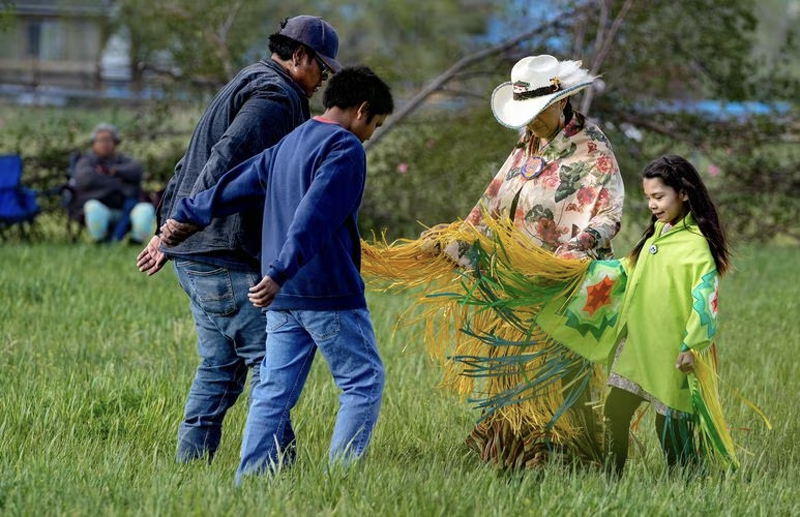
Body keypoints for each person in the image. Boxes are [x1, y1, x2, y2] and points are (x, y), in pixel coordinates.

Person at [158, 66, 394, 482]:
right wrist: (283, 269)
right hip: (325, 290)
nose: (371, 133)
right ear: (362, 110)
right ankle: (340, 480)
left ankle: (247, 479)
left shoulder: (292, 140)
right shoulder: (345, 148)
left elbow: (236, 183)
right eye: (374, 123)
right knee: (362, 381)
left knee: (271, 390)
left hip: (280, 295)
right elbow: (314, 216)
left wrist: (188, 212)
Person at [135, 14, 342, 463]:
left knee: (219, 367)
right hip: (220, 255)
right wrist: (182, 224)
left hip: (196, 257)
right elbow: (224, 157)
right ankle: (275, 470)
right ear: (300, 56)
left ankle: (190, 465)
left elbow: (190, 157)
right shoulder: (273, 95)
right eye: (321, 69)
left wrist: (166, 232)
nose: (322, 81)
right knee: (273, 367)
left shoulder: (246, 80)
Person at [423, 54, 625, 467]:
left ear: (558, 103)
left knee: (559, 369)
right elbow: (494, 200)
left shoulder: (592, 148)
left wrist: (578, 246)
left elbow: (609, 213)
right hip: (516, 278)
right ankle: (513, 452)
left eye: (534, 113)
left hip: (565, 279)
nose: (528, 121)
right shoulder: (527, 143)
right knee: (512, 364)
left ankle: (575, 456)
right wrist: (455, 240)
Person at [603, 155, 730, 478]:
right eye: (648, 197)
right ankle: (609, 481)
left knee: (671, 428)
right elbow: (625, 273)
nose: (652, 205)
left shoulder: (697, 246)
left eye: (658, 196)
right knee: (614, 412)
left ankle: (687, 485)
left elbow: (705, 301)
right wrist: (576, 272)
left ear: (683, 193)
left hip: (673, 351)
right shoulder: (656, 235)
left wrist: (691, 345)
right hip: (637, 345)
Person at [71, 123, 155, 243]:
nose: (105, 144)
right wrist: (118, 181)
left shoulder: (124, 160)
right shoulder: (86, 162)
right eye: (101, 140)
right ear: (93, 143)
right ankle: (101, 241)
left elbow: (136, 171)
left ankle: (135, 243)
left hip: (126, 208)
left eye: (108, 140)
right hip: (101, 207)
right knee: (92, 207)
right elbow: (86, 180)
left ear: (115, 142)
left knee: (145, 209)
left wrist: (112, 171)